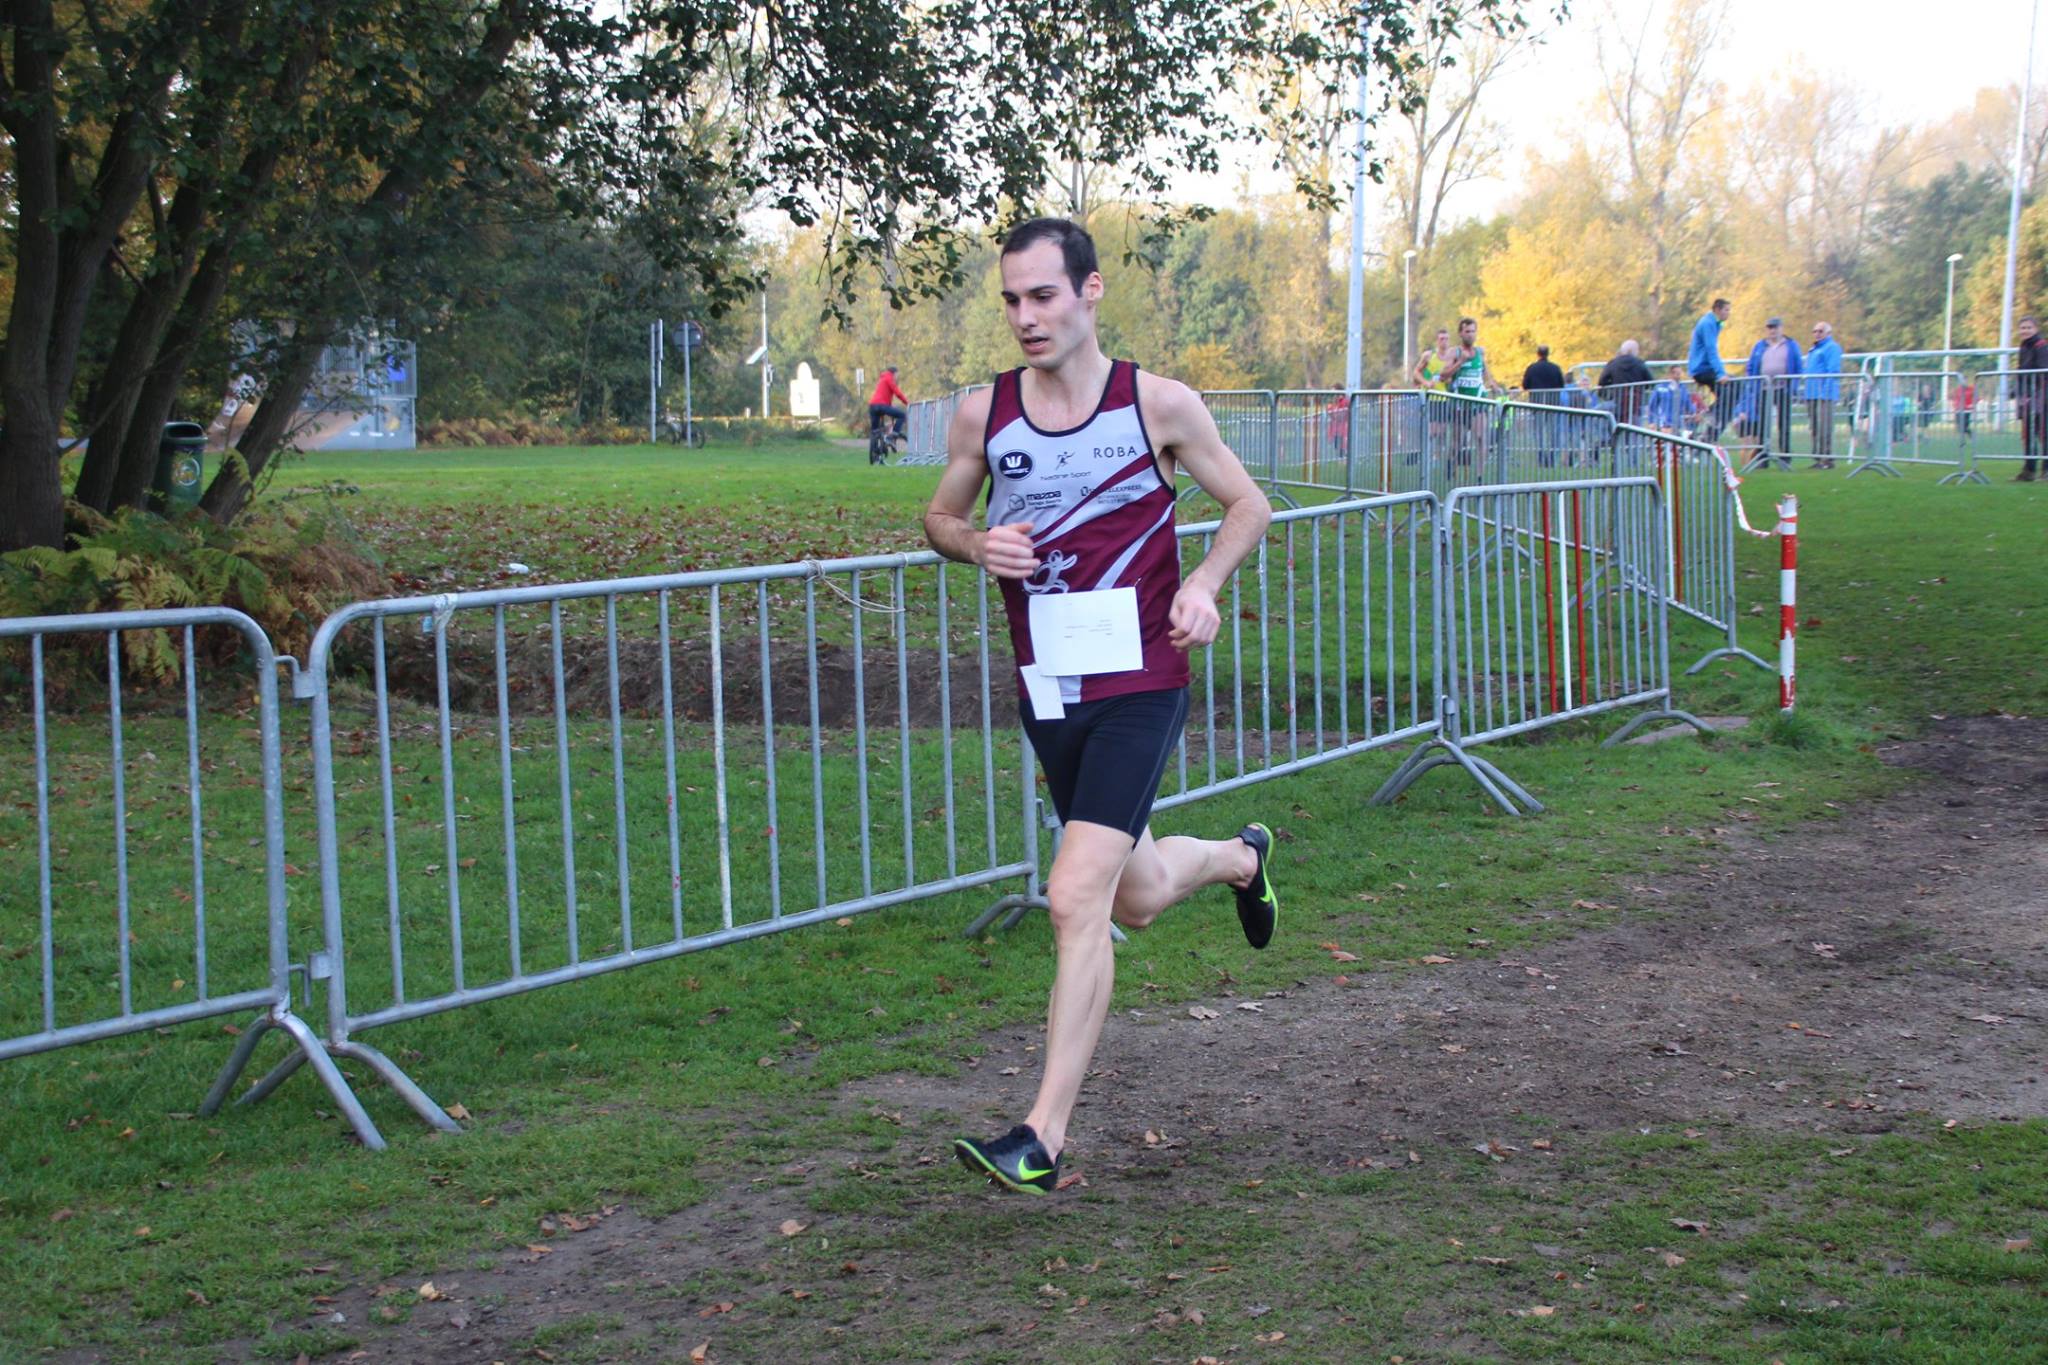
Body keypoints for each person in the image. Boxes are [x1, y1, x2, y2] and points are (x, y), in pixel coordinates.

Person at [922, 217, 1280, 1195]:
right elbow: (939, 516)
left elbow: (1247, 504)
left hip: (1141, 681)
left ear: (1090, 292)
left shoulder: (1157, 404)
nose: (1024, 316)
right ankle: (1242, 859)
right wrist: (972, 544)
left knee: (1075, 893)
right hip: (1051, 686)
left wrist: (1203, 583)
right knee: (1137, 892)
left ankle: (1041, 1137)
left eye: (1042, 295)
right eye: (1010, 299)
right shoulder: (984, 415)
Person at [1744, 317, 1803, 466]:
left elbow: (1798, 366)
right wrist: (1753, 383)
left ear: (1781, 328)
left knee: (1784, 424)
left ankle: (1785, 456)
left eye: (1775, 327)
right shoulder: (1760, 346)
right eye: (1770, 328)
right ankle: (1763, 456)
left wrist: (1793, 385)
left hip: (1783, 389)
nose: (1772, 330)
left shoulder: (1791, 345)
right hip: (1763, 389)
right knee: (1763, 425)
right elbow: (1751, 366)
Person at [1444, 315, 1498, 470]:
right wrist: (1460, 362)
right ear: (1460, 333)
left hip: (1478, 403)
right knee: (1457, 442)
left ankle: (1480, 476)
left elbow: (1485, 371)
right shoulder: (1454, 352)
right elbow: (1443, 375)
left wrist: (1493, 384)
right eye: (1467, 331)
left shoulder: (1480, 352)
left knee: (1481, 438)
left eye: (1473, 331)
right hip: (1459, 405)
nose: (1471, 335)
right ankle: (1451, 468)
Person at [1689, 298, 1731, 438]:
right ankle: (1707, 417)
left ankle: (1710, 431)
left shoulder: (1714, 323)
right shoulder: (1708, 323)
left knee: (1733, 392)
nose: (1728, 313)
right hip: (1702, 369)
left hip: (1704, 367)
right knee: (1731, 391)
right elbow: (1711, 350)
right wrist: (1721, 373)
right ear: (1717, 310)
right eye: (1726, 310)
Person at [1804, 322, 1844, 469]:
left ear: (1828, 333)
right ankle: (1818, 458)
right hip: (1812, 393)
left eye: (1820, 331)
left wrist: (1825, 392)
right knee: (1814, 427)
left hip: (1824, 395)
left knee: (1824, 427)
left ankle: (1827, 459)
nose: (1817, 334)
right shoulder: (1813, 349)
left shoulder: (1832, 348)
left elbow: (1833, 371)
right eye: (1814, 331)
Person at [1522, 345, 1567, 466]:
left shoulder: (1532, 368)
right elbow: (1561, 385)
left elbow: (1525, 385)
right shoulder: (1555, 368)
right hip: (1552, 403)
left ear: (1538, 354)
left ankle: (1541, 456)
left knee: (1539, 432)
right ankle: (1552, 458)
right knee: (1553, 432)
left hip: (1537, 404)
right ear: (1548, 353)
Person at [1597, 339, 1654, 428]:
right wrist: (1642, 388)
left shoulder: (1613, 363)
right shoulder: (1640, 364)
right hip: (1636, 404)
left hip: (1617, 402)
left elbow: (1602, 381)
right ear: (1635, 351)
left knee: (1597, 413)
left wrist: (1610, 393)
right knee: (1634, 428)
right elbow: (1650, 382)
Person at [2017, 314, 2047, 481]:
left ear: (2036, 329)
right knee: (2028, 435)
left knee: (2044, 434)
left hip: (2041, 397)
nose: (2025, 331)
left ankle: (2046, 470)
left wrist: (2033, 393)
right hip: (2028, 396)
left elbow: (2043, 371)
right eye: (2023, 328)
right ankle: (2029, 470)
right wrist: (2020, 392)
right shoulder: (2024, 346)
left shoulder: (2041, 346)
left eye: (2029, 327)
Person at [868, 366, 909, 457]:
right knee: (902, 415)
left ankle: (874, 452)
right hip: (881, 406)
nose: (897, 377)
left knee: (875, 431)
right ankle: (892, 437)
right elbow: (897, 393)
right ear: (894, 373)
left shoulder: (882, 379)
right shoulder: (889, 378)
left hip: (873, 406)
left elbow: (885, 397)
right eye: (897, 375)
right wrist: (907, 403)